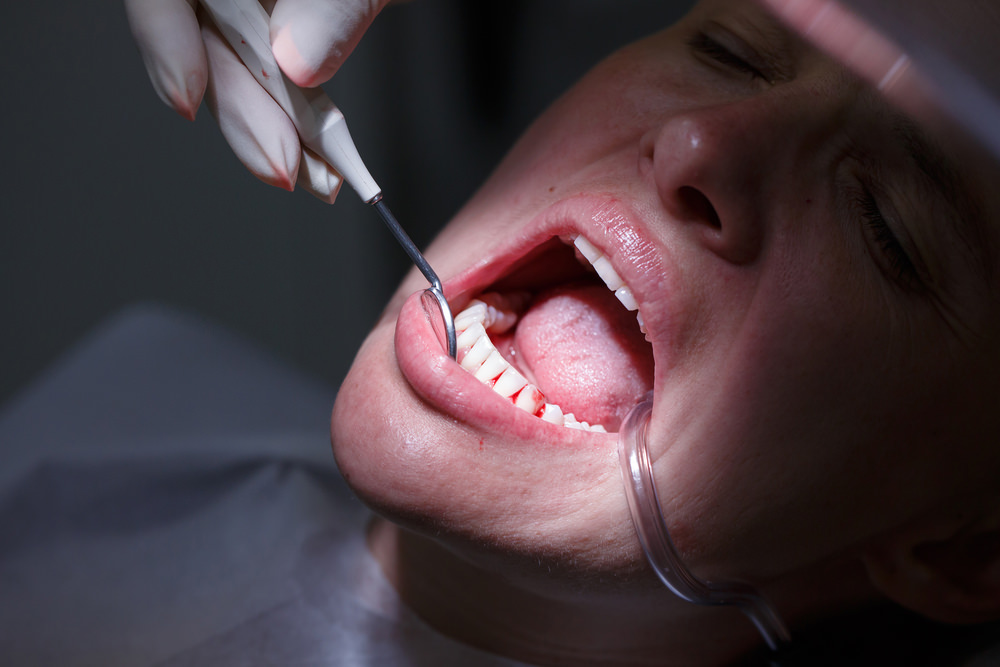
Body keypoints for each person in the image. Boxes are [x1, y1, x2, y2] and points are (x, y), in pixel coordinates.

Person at [124, 0, 1000, 664]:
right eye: (725, 50)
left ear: (970, 550)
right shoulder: (135, 402)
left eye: (888, 227)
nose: (702, 141)